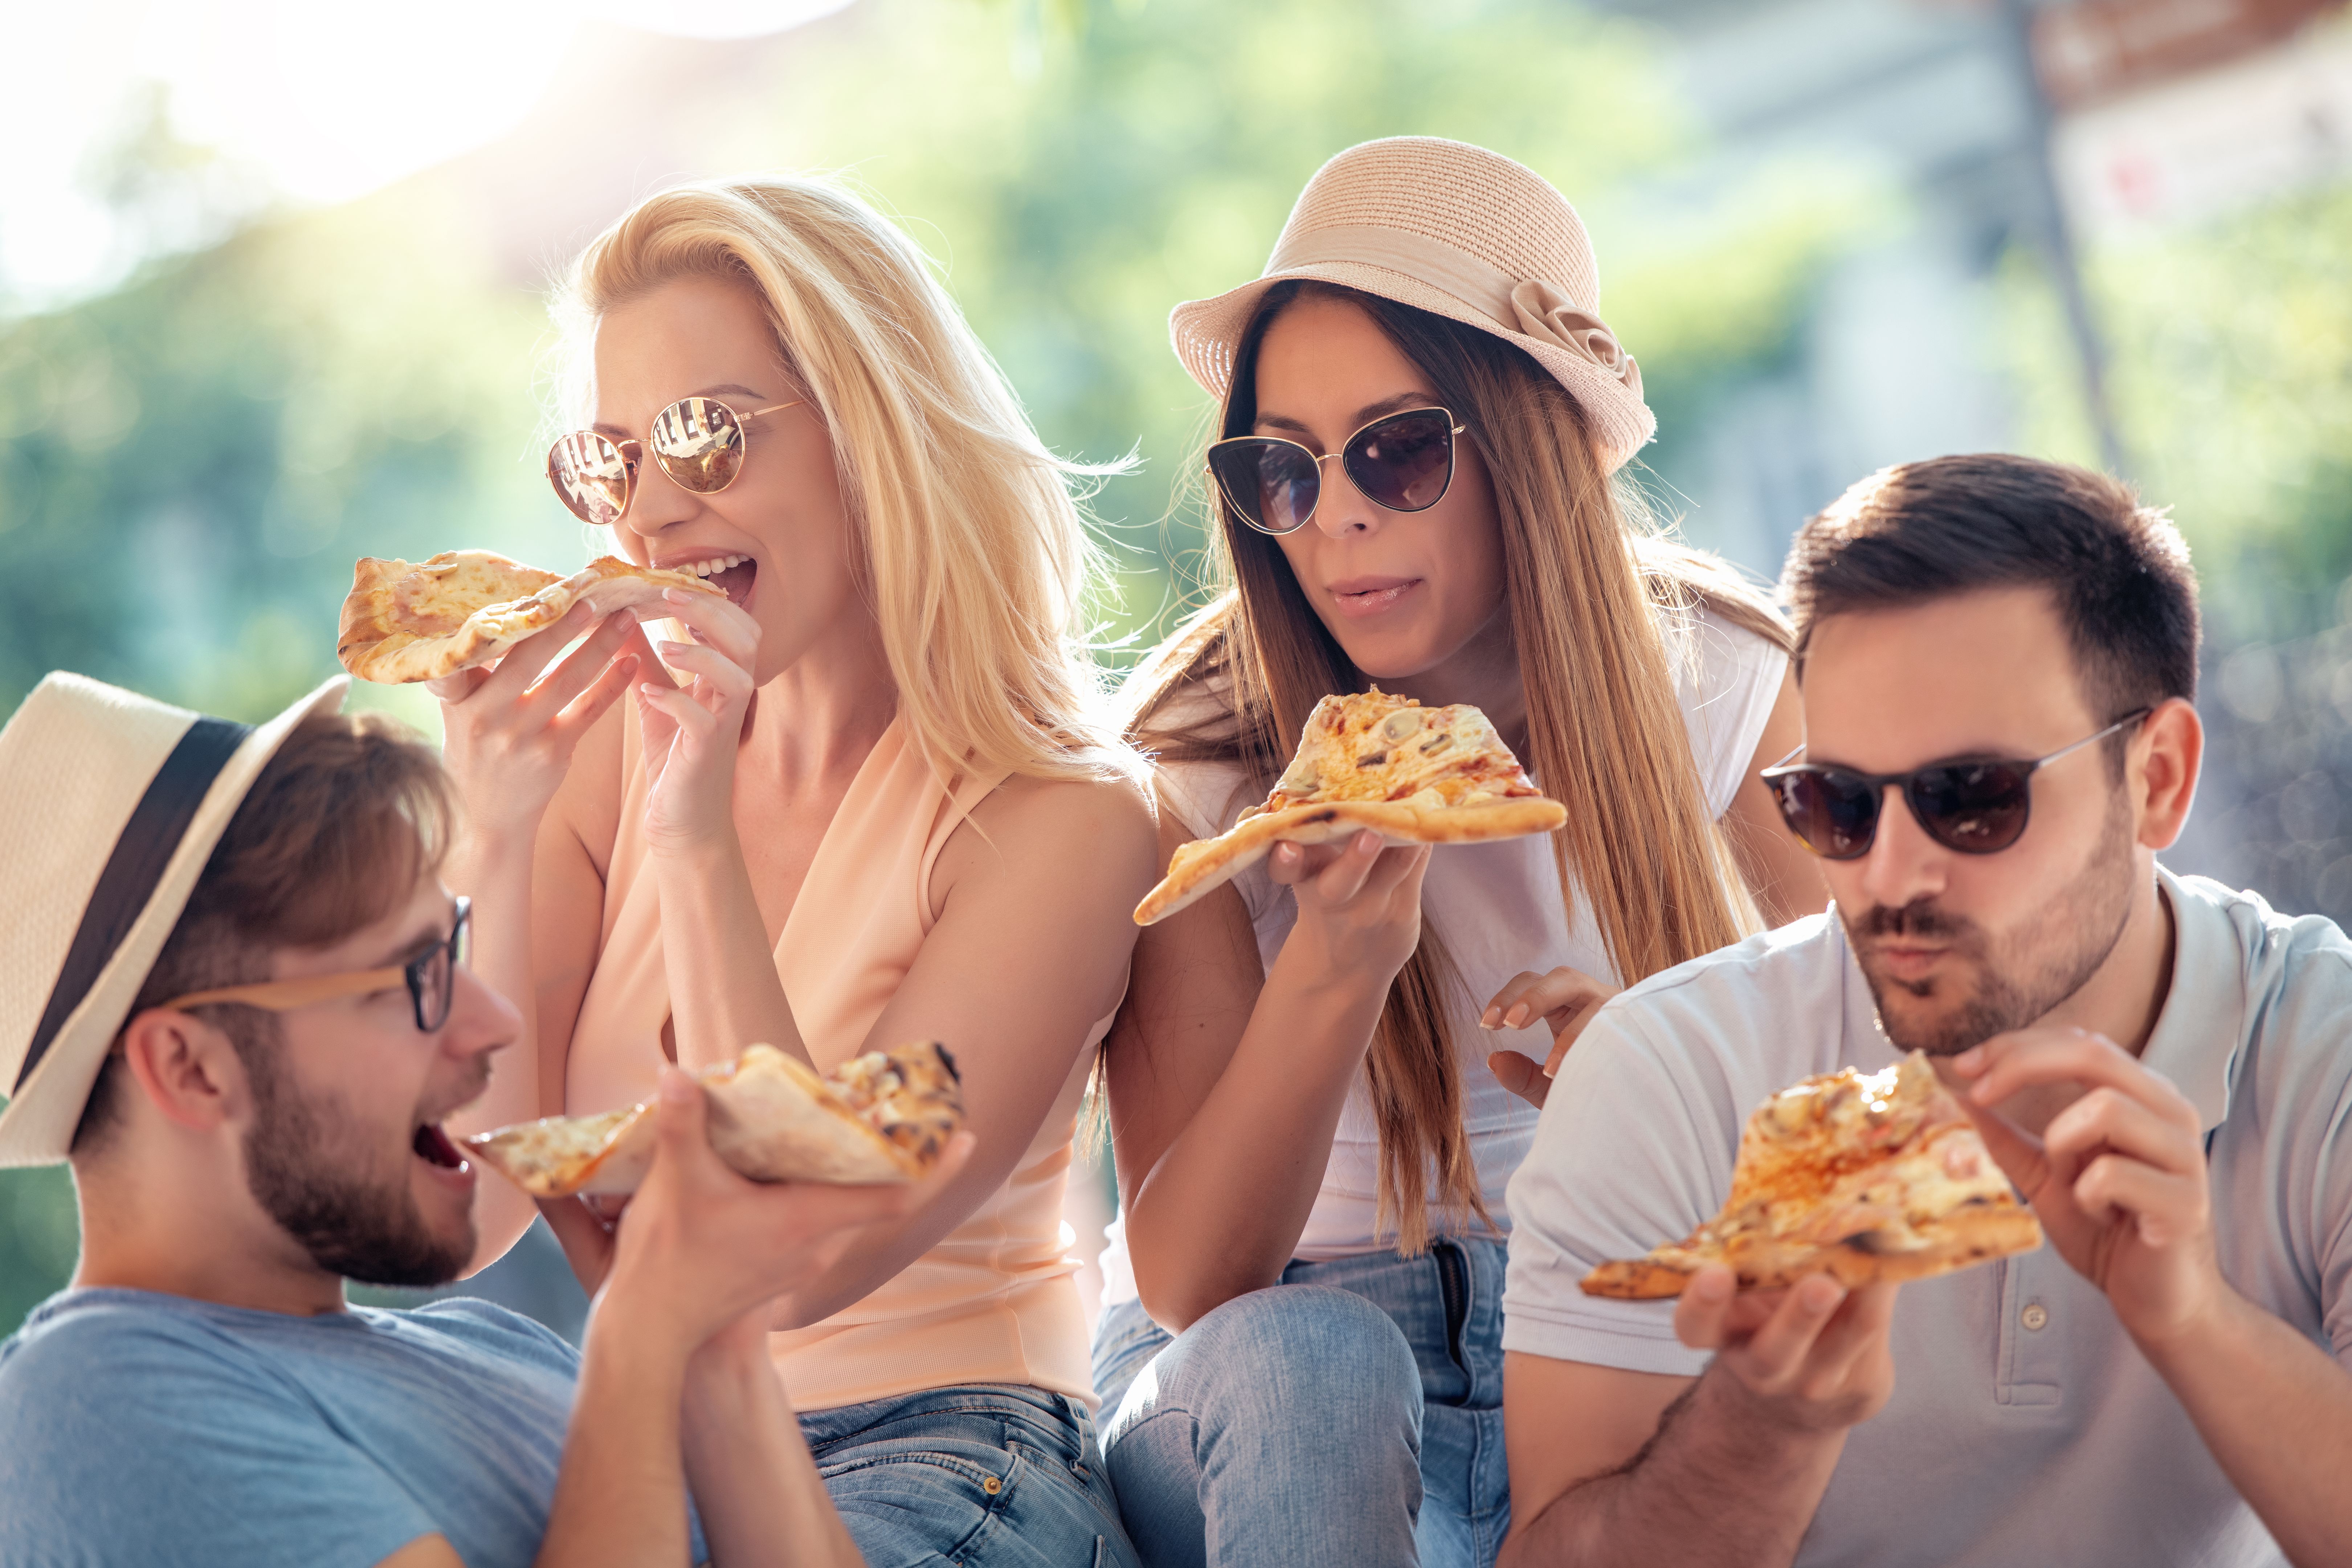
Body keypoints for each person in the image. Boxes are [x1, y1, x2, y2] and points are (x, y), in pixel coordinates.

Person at [1091, 136, 1829, 1568]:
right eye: (1281, 470)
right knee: (1316, 1367)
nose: (1338, 515)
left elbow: (1863, 1116)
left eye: (1399, 449)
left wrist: (1657, 1091)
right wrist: (1337, 965)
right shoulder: (1200, 753)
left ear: (1532, 443)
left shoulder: (1719, 678)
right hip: (1273, 1382)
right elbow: (1193, 1283)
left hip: (1601, 1324)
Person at [439, 175, 1155, 1567]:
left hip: (951, 1451)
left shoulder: (1064, 818)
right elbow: (467, 1213)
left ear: (871, 434)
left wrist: (694, 838)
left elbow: (798, 1263)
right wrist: (496, 830)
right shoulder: (599, 756)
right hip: (651, 1449)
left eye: (705, 438)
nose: (653, 516)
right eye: (612, 464)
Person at [1498, 453, 2352, 1568]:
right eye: (1839, 802)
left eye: (1972, 797)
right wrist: (1767, 1427)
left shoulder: (2324, 1046)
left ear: (2158, 780)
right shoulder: (1665, 1073)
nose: (1890, 876)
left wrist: (2193, 1317)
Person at [0, 673, 964, 1567]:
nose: (498, 1023)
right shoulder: (87, 1402)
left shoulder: (496, 1347)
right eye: (414, 977)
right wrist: (639, 1339)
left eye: (452, 946)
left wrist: (714, 1347)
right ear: (192, 1069)